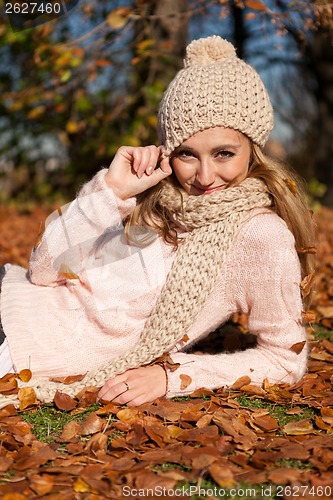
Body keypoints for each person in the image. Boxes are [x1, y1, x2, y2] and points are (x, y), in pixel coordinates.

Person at [0, 36, 316, 408]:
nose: (204, 175)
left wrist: (172, 377)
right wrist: (112, 190)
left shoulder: (260, 235)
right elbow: (43, 271)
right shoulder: (159, 208)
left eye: (224, 153)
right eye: (187, 154)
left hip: (17, 345)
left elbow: (285, 359)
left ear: (253, 149)